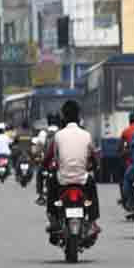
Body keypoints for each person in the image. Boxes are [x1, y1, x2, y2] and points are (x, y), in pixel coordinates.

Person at [45, 100, 101, 238]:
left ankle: (53, 219)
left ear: (63, 117)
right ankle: (92, 221)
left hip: (62, 179)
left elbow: (50, 157)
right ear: (79, 116)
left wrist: (47, 166)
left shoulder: (58, 135)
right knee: (92, 187)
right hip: (82, 179)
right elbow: (94, 157)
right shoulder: (86, 135)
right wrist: (94, 166)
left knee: (51, 185)